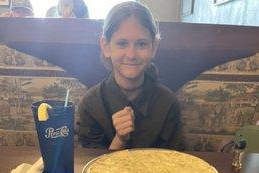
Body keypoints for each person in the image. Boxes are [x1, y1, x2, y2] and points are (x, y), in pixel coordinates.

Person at [76, 1, 183, 150]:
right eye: (122, 43)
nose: (131, 55)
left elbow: (176, 163)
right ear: (106, 47)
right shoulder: (91, 105)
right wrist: (120, 140)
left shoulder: (168, 104)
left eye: (141, 44)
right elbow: (90, 168)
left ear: (154, 47)